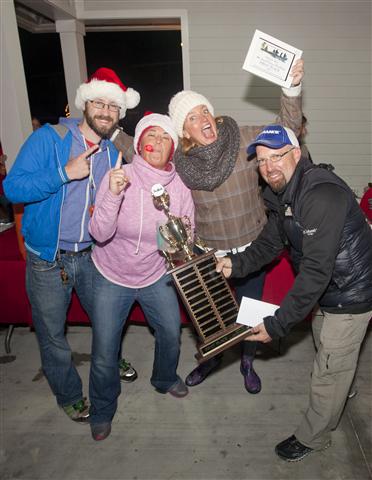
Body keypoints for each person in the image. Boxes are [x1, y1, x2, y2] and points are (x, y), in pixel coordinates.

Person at [216, 125, 372, 462]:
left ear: (296, 154)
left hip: (353, 290)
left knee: (328, 367)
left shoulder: (319, 194)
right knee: (326, 344)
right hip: (332, 289)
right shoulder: (282, 193)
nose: (269, 166)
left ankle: (314, 437)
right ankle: (340, 384)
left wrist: (276, 324)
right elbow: (271, 241)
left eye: (277, 156)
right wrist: (235, 265)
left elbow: (316, 272)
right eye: (261, 160)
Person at [3, 67, 140, 424]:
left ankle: (110, 356)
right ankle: (68, 394)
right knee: (52, 335)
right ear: (85, 103)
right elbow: (12, 188)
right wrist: (65, 172)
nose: (106, 111)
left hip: (94, 255)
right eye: (99, 103)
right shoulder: (49, 139)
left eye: (113, 106)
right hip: (48, 259)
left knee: (107, 319)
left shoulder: (114, 152)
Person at [167, 59, 305, 394]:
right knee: (209, 314)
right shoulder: (180, 163)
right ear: (184, 131)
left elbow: (286, 127)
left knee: (248, 311)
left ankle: (247, 359)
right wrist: (111, 132)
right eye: (193, 117)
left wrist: (291, 89)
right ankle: (212, 358)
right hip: (209, 254)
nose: (204, 119)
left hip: (251, 249)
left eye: (205, 111)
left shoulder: (243, 138)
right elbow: (141, 151)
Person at [88, 113, 195, 441]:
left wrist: (177, 237)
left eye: (166, 138)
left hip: (153, 274)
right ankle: (103, 408)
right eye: (153, 135)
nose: (158, 142)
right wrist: (113, 193)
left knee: (170, 332)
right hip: (112, 273)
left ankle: (164, 378)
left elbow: (185, 241)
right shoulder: (120, 176)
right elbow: (99, 232)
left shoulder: (179, 189)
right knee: (105, 349)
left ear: (172, 148)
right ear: (140, 143)